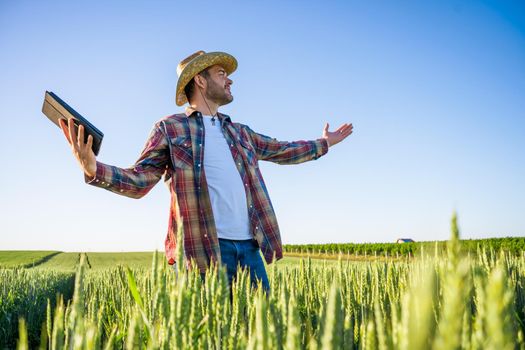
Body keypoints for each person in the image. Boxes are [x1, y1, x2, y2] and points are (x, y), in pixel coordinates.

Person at [58, 50, 353, 293]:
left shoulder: (240, 133)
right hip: (203, 254)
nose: (230, 80)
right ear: (200, 80)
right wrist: (93, 168)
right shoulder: (170, 128)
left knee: (259, 334)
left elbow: (283, 150)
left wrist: (324, 143)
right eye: (221, 74)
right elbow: (141, 179)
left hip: (251, 249)